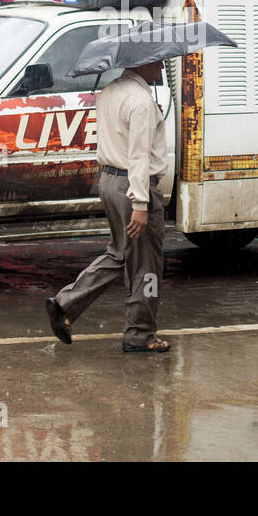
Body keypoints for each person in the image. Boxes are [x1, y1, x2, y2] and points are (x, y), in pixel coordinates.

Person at [46, 59, 171, 353]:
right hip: (133, 188)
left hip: (111, 182)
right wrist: (141, 202)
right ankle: (141, 335)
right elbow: (138, 155)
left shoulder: (112, 90)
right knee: (147, 267)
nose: (163, 67)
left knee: (119, 254)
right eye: (158, 61)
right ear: (142, 64)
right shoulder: (140, 100)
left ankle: (65, 302)